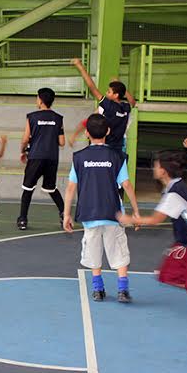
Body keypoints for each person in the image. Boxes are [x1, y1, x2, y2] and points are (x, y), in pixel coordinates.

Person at [118, 151, 187, 327]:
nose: (154, 169)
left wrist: (129, 219)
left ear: (163, 171)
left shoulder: (175, 193)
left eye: (156, 166)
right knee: (168, 274)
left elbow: (156, 220)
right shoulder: (176, 187)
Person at [63, 113, 140, 303]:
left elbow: (71, 187)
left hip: (90, 213)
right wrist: (136, 212)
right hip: (113, 213)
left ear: (87, 133)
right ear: (108, 131)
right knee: (119, 250)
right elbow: (127, 185)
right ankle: (123, 289)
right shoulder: (117, 156)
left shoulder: (79, 158)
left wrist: (66, 214)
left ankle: (98, 289)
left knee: (93, 250)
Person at [15, 86, 66, 230]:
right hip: (52, 158)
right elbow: (62, 142)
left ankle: (23, 219)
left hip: (36, 157)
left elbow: (25, 139)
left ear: (41, 100)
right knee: (51, 188)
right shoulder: (58, 118)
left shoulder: (32, 117)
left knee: (28, 188)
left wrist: (22, 151)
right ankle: (64, 213)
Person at [71, 58, 134, 159]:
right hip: (119, 149)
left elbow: (92, 87)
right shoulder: (125, 107)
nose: (106, 93)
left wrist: (80, 67)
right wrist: (121, 87)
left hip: (107, 149)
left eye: (109, 92)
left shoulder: (108, 106)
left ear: (116, 95)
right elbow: (132, 102)